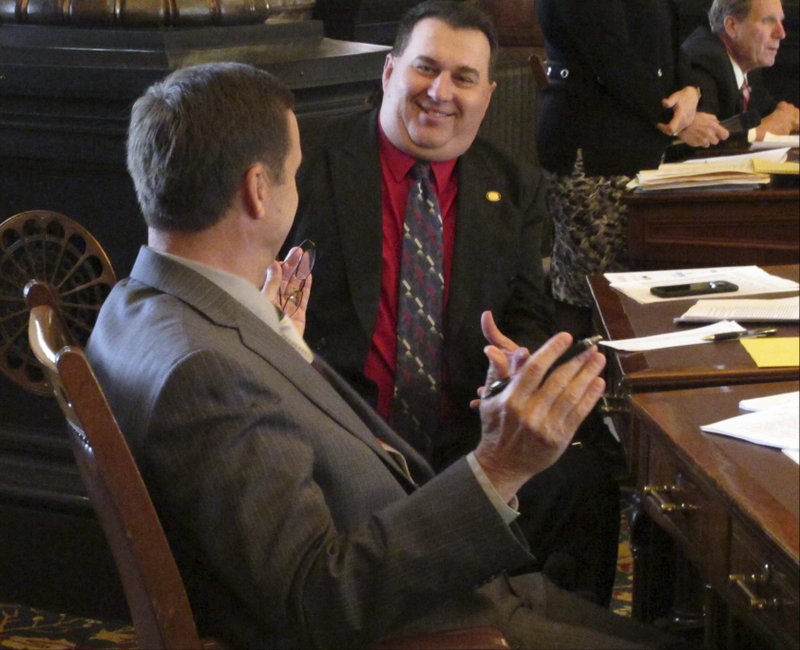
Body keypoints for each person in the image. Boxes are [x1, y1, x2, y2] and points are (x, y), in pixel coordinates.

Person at [86, 61, 678, 649]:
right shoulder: (207, 373)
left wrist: (282, 343)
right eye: (292, 174)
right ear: (258, 190)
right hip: (443, 628)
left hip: (452, 587)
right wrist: (499, 467)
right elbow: (319, 598)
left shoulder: (134, 306)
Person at [288, 0, 621, 606]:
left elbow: (527, 310)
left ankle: (546, 623)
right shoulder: (312, 169)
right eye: (425, 68)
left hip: (463, 436)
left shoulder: (514, 184)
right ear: (390, 73)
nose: (440, 91)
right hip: (352, 439)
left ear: (487, 95)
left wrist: (512, 358)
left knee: (585, 479)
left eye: (464, 78)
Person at [535, 0, 730, 337]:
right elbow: (611, 57)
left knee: (632, 290)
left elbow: (670, 43)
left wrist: (690, 90)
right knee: (595, 293)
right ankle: (582, 383)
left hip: (639, 145)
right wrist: (675, 118)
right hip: (591, 146)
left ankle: (623, 381)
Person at [682, 0, 799, 142]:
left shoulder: (747, 62)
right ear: (732, 26)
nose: (781, 33)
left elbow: (777, 113)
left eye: (781, 21)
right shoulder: (705, 61)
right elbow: (700, 140)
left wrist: (787, 117)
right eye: (768, 21)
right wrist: (761, 131)